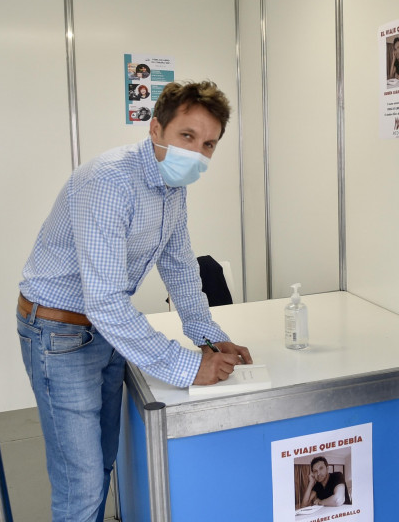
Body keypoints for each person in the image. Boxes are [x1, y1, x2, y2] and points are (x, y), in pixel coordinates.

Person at [17, 80, 252, 522]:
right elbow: (104, 300)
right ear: (156, 129)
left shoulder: (171, 186)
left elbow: (181, 267)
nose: (197, 153)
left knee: (104, 460)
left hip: (102, 329)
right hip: (58, 333)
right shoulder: (110, 181)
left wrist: (209, 338)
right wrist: (188, 366)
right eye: (187, 136)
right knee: (81, 485)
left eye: (209, 145)